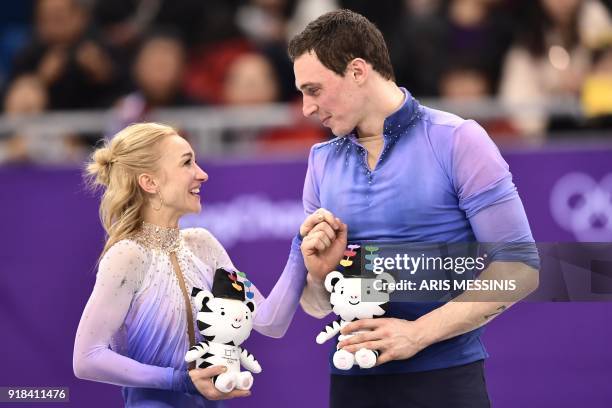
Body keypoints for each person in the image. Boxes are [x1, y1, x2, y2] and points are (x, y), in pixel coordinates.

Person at [288, 9, 540, 408]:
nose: (306, 108)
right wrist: (318, 277)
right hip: (352, 384)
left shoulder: (458, 140)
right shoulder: (320, 160)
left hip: (444, 381)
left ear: (357, 71)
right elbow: (315, 305)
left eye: (314, 90)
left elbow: (520, 269)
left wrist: (416, 334)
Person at [73, 122, 311, 406]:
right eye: (187, 163)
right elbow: (87, 358)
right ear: (150, 182)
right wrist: (179, 380)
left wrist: (301, 249)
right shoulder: (128, 255)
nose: (202, 174)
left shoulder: (203, 244)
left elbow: (270, 322)